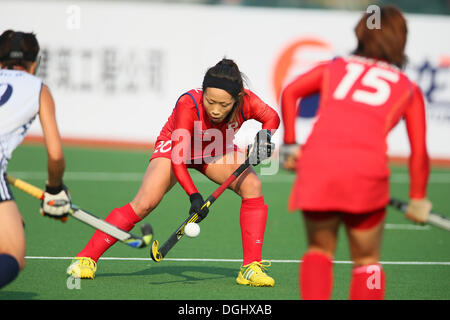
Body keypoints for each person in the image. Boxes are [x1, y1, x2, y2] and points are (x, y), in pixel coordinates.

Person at [67, 58, 280, 287]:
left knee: (252, 186)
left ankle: (250, 267)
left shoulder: (248, 101)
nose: (216, 110)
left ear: (237, 99)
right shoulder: (188, 103)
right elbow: (179, 158)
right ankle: (86, 258)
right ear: (203, 93)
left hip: (215, 149)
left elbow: (272, 117)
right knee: (145, 202)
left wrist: (264, 137)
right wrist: (194, 195)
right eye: (210, 101)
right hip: (177, 147)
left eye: (224, 105)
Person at [279, 6, 431, 299]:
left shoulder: (334, 67)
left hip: (318, 165)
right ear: (400, 40)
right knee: (366, 262)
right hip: (365, 173)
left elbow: (290, 92)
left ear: (360, 34)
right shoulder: (408, 89)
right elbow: (419, 152)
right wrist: (417, 197)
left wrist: (290, 144)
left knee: (319, 251)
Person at [0, 30, 71, 289]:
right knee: (12, 254)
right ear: (35, 63)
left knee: (12, 223)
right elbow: (55, 155)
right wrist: (54, 188)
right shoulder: (38, 89)